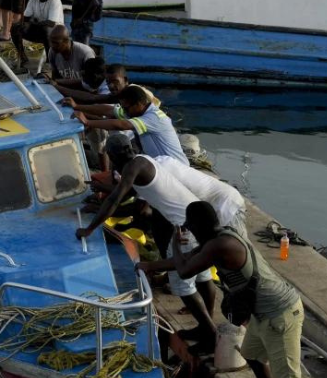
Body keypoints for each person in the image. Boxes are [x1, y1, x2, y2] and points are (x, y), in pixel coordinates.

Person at [77, 143, 220, 348]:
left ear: (112, 156)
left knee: (183, 285)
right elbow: (125, 195)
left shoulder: (131, 168)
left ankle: (209, 333)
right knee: (203, 276)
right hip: (198, 223)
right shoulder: (144, 161)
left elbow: (116, 199)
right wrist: (99, 202)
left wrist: (89, 229)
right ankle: (208, 324)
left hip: (184, 228)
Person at [141, 201, 304, 378]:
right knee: (252, 355)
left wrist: (175, 243)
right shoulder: (217, 238)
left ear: (198, 225)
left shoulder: (221, 245)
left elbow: (184, 271)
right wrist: (149, 265)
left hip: (280, 313)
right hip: (262, 314)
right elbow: (187, 258)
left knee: (288, 375)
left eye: (190, 227)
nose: (189, 232)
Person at [69, 85, 187, 164]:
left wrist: (88, 122)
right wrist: (77, 106)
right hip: (160, 164)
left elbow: (122, 125)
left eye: (126, 108)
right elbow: (108, 110)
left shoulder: (154, 117)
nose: (123, 112)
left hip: (176, 167)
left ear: (139, 104)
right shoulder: (135, 111)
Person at [159, 158, 247, 237]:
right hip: (223, 199)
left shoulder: (159, 174)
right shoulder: (163, 160)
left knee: (235, 246)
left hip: (227, 205)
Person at [10, 0, 62, 66]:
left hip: (56, 32)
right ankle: (22, 57)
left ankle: (50, 62)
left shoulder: (54, 0)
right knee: (15, 27)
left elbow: (51, 23)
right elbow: (26, 18)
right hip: (39, 29)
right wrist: (21, 23)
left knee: (46, 29)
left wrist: (33, 23)